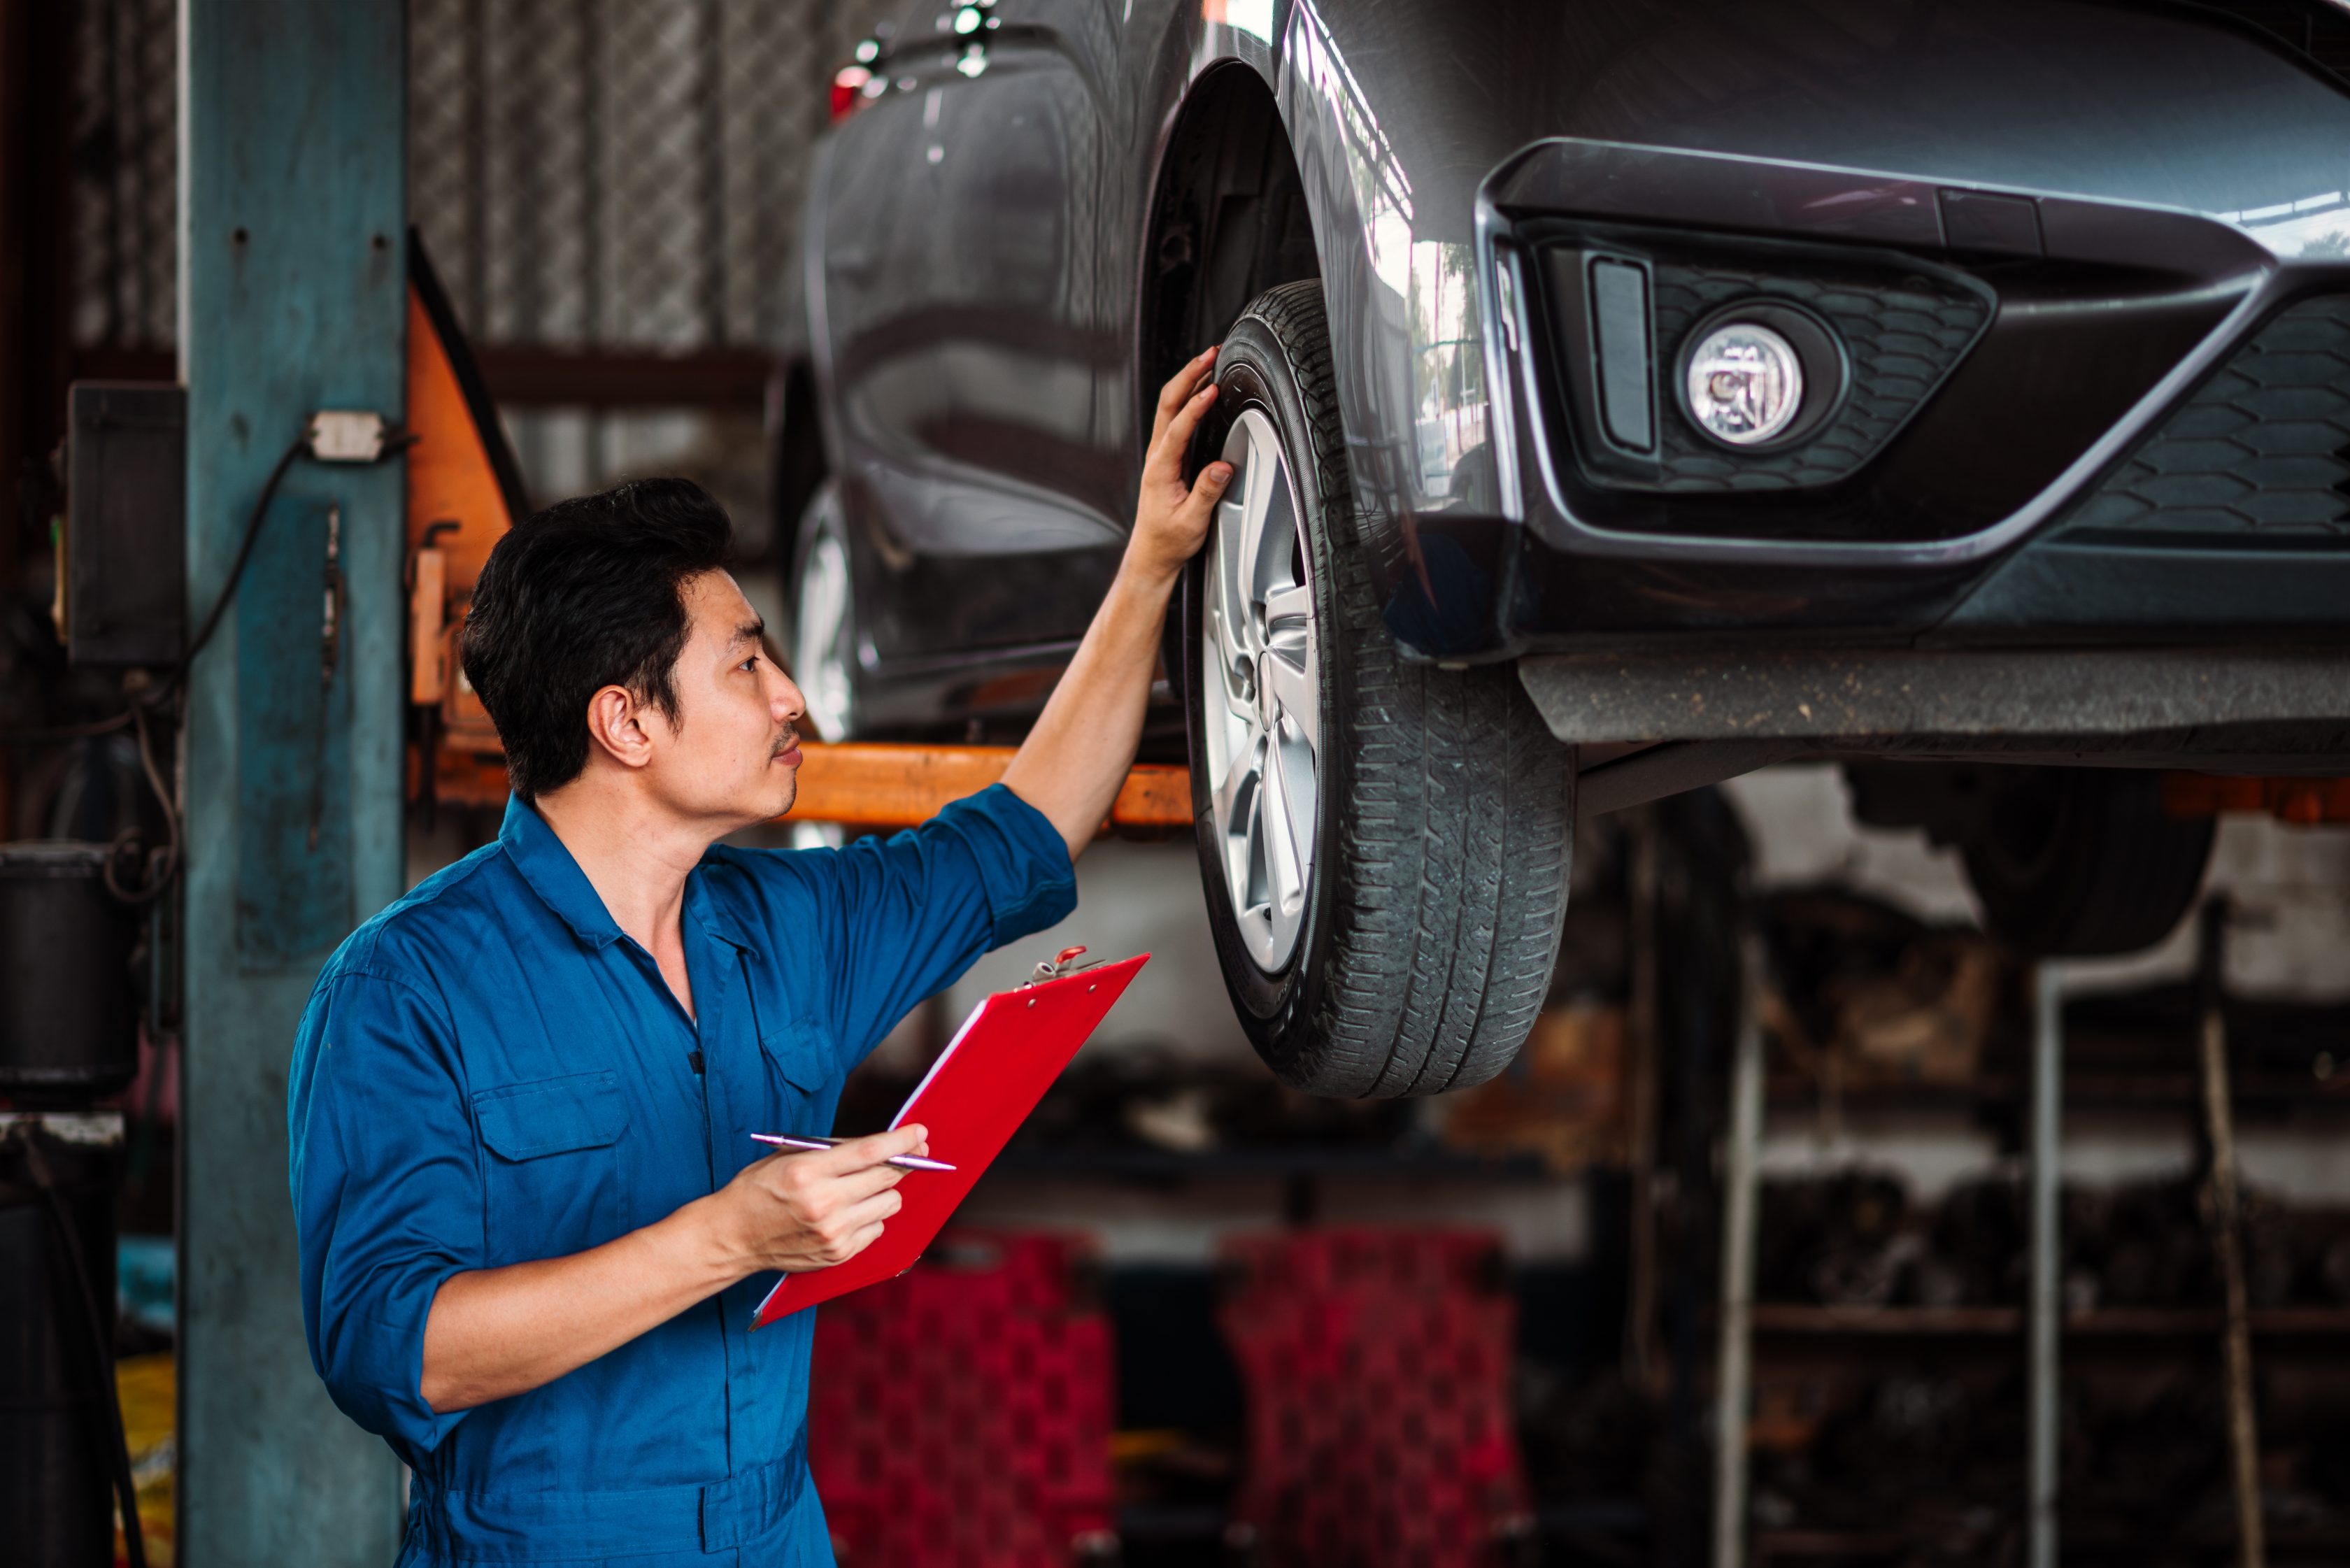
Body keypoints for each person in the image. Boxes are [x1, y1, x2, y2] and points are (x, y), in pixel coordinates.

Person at [288, 353, 1233, 1567]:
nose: (793, 698)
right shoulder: (404, 992)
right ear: (625, 722)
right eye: (746, 663)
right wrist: (726, 1238)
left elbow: (1029, 828)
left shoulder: (789, 929)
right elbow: (392, 1348)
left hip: (778, 1536)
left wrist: (1151, 560)